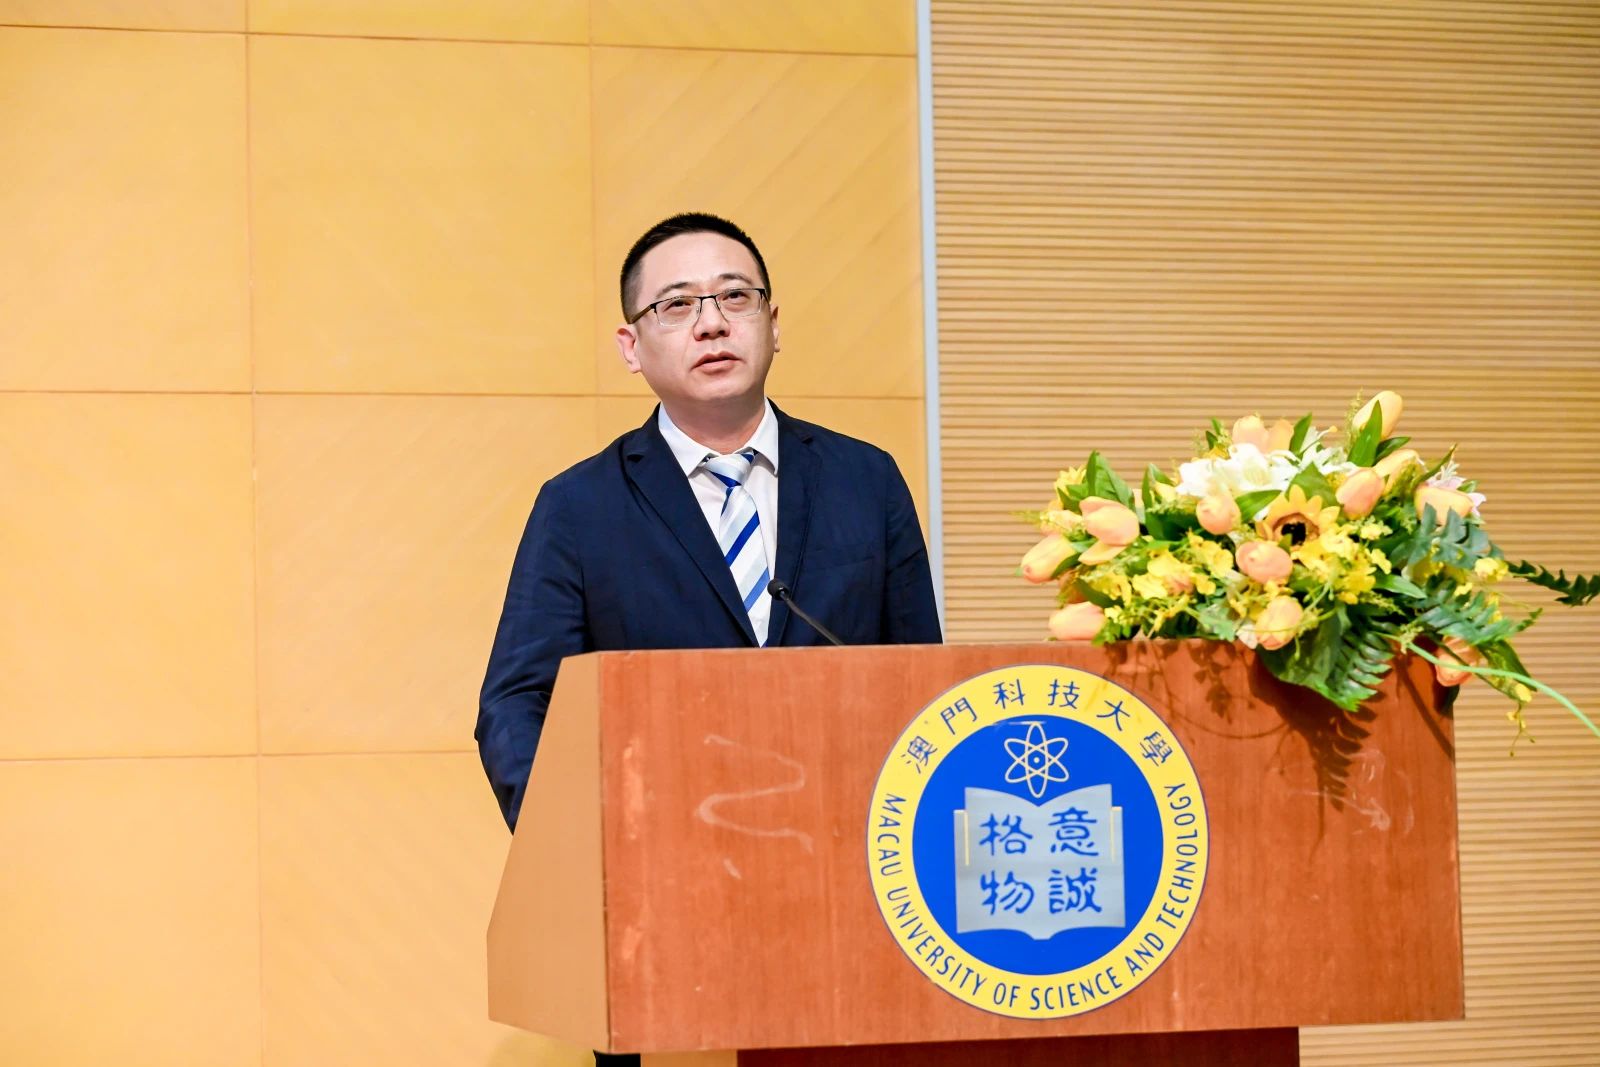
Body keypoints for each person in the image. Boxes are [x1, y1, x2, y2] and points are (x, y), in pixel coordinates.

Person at [477, 210, 941, 827]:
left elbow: (921, 677)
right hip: (661, 846)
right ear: (631, 348)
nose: (713, 323)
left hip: (849, 833)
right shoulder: (579, 507)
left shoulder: (866, 479)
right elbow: (518, 702)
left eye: (736, 297)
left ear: (773, 324)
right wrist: (576, 838)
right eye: (676, 306)